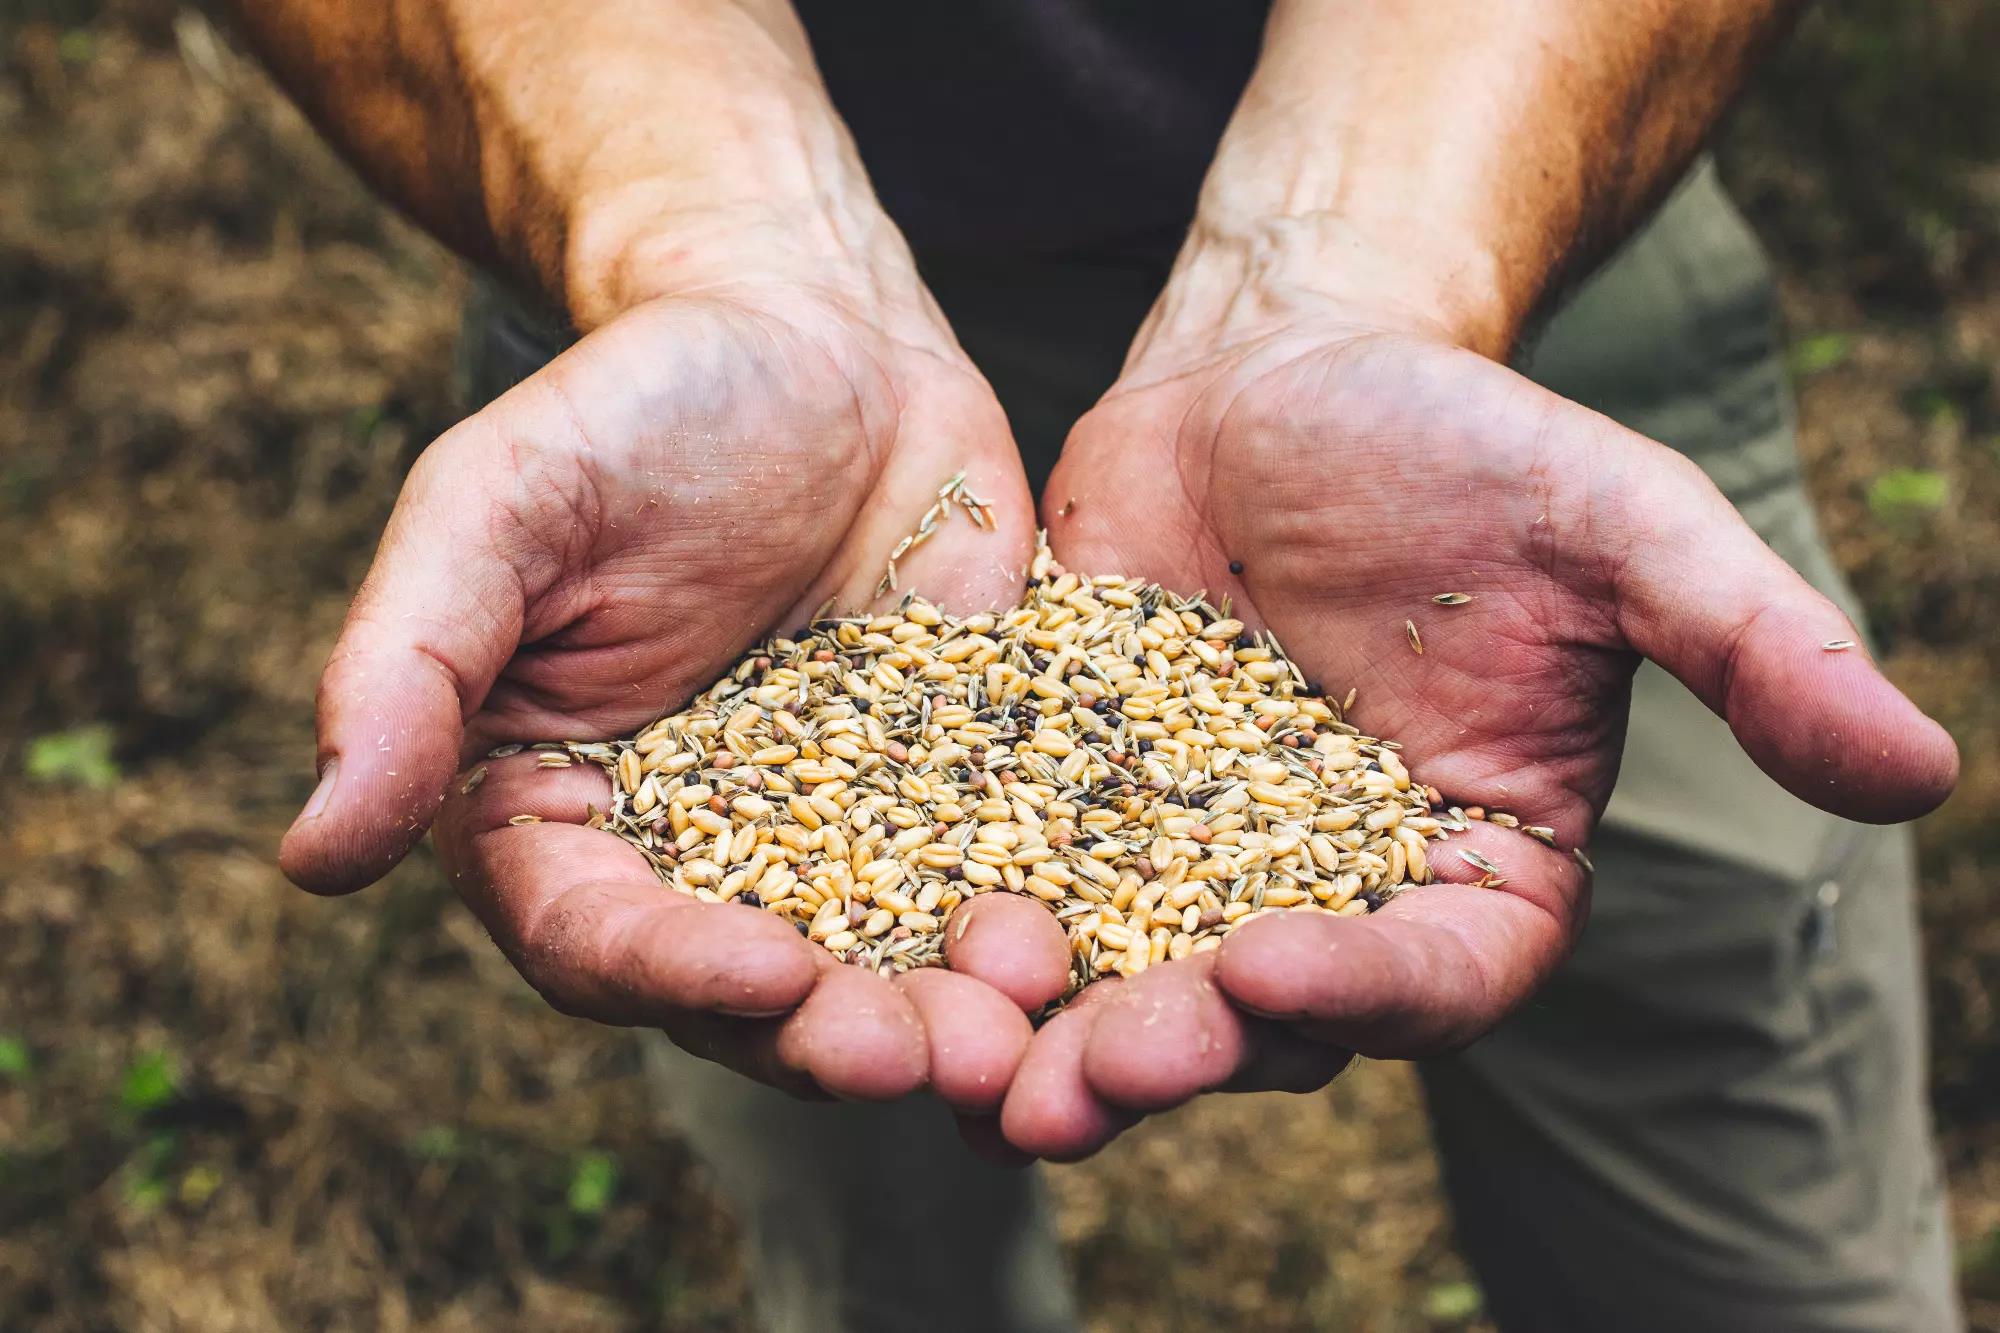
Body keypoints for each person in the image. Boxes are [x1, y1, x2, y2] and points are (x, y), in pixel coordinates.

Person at [234, 2, 1964, 1329]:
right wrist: (706, 236)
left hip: (1498, 206)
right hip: (701, 408)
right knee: (861, 1170)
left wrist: (1359, 266)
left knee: (1739, 1208)